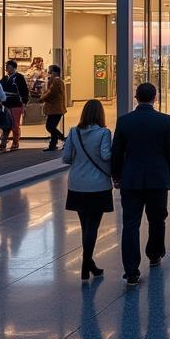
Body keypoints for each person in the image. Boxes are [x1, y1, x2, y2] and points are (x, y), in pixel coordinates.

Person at [110, 82, 170, 286]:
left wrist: (116, 175)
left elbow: (116, 151)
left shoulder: (124, 121)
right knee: (157, 219)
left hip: (131, 179)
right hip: (158, 179)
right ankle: (154, 253)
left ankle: (131, 271)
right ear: (155, 98)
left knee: (130, 224)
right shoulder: (164, 121)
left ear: (136, 98)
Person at [62, 98, 113, 280]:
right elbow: (106, 156)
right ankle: (86, 264)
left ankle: (89, 264)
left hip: (77, 184)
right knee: (93, 226)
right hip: (98, 185)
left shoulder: (73, 132)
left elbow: (66, 158)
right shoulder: (104, 133)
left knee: (85, 225)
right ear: (100, 114)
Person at [0, 59, 29, 152]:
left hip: (16, 103)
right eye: (6, 67)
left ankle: (15, 141)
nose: (6, 69)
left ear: (14, 68)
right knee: (4, 124)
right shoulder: (5, 78)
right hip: (5, 104)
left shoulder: (19, 77)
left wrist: (24, 104)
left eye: (8, 67)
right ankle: (3, 142)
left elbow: (24, 91)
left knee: (15, 124)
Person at [41, 64, 67, 150]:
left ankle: (65, 140)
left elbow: (51, 93)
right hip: (55, 108)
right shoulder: (55, 80)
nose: (48, 72)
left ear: (54, 72)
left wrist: (41, 98)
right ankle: (53, 144)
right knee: (51, 126)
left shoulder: (56, 81)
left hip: (55, 108)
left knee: (50, 126)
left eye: (50, 70)